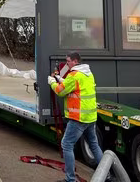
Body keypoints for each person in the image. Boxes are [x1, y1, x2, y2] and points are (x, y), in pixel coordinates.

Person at [49, 51, 102, 182]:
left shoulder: (74, 75)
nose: (67, 64)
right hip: (90, 117)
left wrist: (52, 82)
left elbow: (60, 91)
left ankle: (70, 179)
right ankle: (106, 175)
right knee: (94, 145)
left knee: (66, 144)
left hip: (78, 118)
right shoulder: (88, 74)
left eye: (68, 61)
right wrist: (60, 79)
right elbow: (74, 86)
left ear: (75, 61)